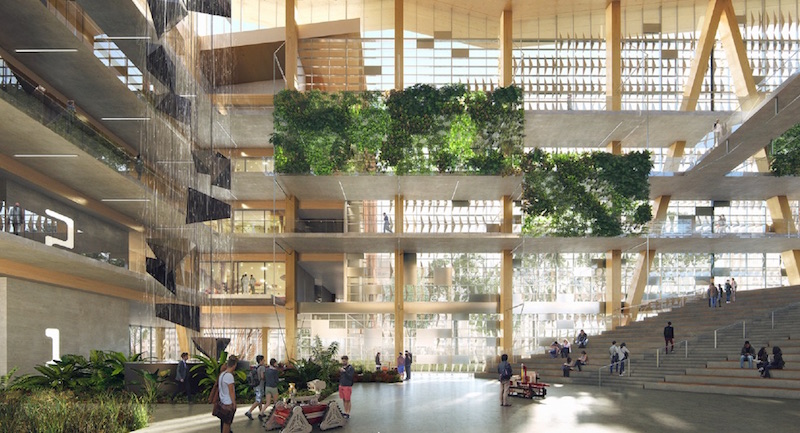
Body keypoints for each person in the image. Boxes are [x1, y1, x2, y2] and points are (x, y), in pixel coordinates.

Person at [218, 355, 238, 433]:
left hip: (222, 402)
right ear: (234, 365)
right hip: (228, 403)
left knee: (223, 423)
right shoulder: (229, 376)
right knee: (227, 425)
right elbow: (231, 391)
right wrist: (234, 403)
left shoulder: (222, 374)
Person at [245, 355, 267, 420]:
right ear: (260, 361)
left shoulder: (256, 367)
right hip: (260, 385)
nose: (264, 361)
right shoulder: (262, 367)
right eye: (263, 360)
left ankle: (261, 412)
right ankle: (249, 411)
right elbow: (262, 376)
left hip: (255, 385)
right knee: (258, 400)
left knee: (260, 400)